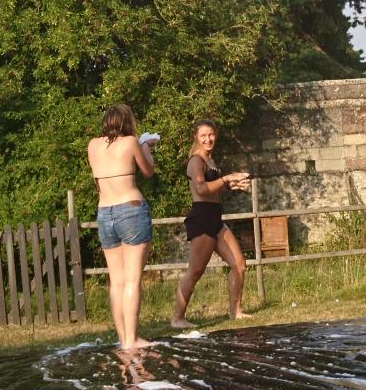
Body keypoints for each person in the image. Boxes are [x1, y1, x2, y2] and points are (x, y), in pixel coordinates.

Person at [88, 104, 158, 351]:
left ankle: (122, 338)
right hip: (130, 208)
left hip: (104, 212)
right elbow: (148, 171)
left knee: (116, 281)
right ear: (127, 122)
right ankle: (132, 339)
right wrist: (146, 146)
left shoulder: (93, 145)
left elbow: (97, 181)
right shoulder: (131, 142)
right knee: (132, 279)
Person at [168, 119, 251, 329]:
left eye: (211, 134)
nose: (208, 139)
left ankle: (235, 312)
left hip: (216, 218)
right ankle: (177, 318)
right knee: (195, 271)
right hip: (202, 218)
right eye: (203, 135)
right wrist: (226, 179)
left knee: (239, 264)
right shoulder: (196, 161)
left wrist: (232, 185)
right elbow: (202, 189)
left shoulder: (210, 160)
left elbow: (215, 189)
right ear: (196, 137)